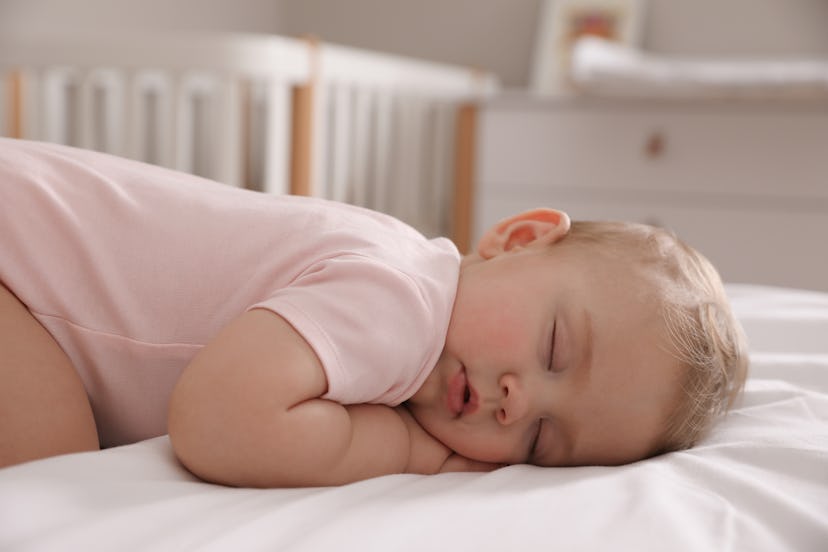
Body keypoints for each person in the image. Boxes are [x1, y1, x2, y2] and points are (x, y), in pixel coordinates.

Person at [0, 138, 748, 486]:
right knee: (51, 469)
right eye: (555, 349)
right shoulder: (405, 300)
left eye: (544, 442)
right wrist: (405, 450)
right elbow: (220, 421)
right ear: (517, 240)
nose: (518, 403)